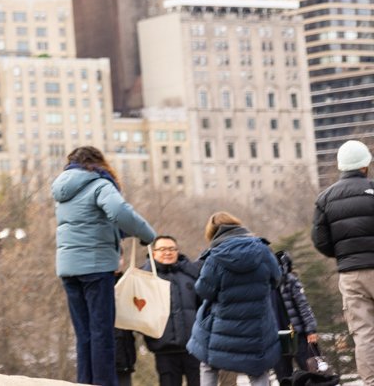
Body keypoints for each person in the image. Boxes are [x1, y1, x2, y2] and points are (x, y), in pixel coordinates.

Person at [52, 145, 157, 385]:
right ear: (98, 162)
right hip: (95, 266)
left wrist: (117, 233)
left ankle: (86, 381)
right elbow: (120, 212)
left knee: (84, 333)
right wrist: (147, 234)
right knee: (102, 331)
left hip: (68, 268)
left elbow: (88, 222)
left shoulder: (63, 190)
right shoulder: (100, 184)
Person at [188, 211, 282, 386]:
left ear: (212, 233)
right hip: (257, 326)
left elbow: (204, 291)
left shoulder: (215, 257)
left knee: (208, 364)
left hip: (222, 327)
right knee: (258, 369)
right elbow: (276, 279)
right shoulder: (262, 249)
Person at [312, 138, 374, 385]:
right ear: (365, 165)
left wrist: (344, 254)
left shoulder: (325, 199)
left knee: (364, 334)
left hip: (350, 274)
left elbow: (320, 240)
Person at [146, 235, 203, 386]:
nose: (168, 252)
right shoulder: (145, 277)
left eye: (172, 249)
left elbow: (203, 308)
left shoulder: (191, 274)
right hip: (164, 349)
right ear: (153, 253)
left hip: (193, 347)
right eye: (162, 249)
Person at [273, 247, 321, 384]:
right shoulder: (263, 284)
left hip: (296, 333)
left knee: (312, 372)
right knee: (284, 378)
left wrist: (311, 330)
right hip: (276, 337)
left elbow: (303, 305)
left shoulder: (290, 280)